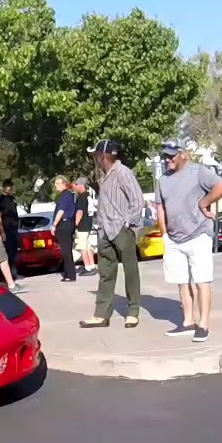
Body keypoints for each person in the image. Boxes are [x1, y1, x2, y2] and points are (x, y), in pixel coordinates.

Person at [155, 141, 222, 343]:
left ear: (183, 155)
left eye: (172, 155)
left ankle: (203, 324)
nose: (168, 159)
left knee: (201, 280)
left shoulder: (198, 172)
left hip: (198, 234)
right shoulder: (162, 180)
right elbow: (160, 206)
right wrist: (164, 232)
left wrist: (204, 203)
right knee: (181, 281)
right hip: (174, 238)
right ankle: (188, 322)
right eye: (165, 156)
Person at [80, 139, 144, 329]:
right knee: (105, 273)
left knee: (130, 271)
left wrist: (129, 224)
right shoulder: (104, 176)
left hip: (121, 230)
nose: (95, 159)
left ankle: (133, 312)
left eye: (96, 155)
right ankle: (101, 314)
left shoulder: (123, 172)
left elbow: (137, 200)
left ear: (104, 156)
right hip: (105, 231)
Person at [52, 176, 78, 281]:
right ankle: (67, 273)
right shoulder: (66, 195)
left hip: (65, 224)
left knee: (66, 250)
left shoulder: (65, 196)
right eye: (55, 183)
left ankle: (71, 274)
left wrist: (54, 225)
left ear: (64, 183)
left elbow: (61, 211)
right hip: (66, 224)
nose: (55, 186)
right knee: (65, 250)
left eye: (57, 183)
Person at [72, 177, 97, 276]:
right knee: (88, 247)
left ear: (81, 185)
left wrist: (75, 225)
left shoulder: (81, 197)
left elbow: (79, 212)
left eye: (77, 184)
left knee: (82, 247)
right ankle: (92, 266)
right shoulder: (88, 196)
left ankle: (87, 267)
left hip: (82, 226)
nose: (76, 186)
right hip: (88, 224)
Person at [0, 179, 21, 277]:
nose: (10, 188)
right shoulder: (0, 199)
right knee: (8, 251)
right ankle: (9, 272)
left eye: (11, 187)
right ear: (4, 187)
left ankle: (14, 269)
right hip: (6, 227)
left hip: (14, 227)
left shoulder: (12, 198)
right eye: (8, 186)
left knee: (14, 250)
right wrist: (1, 230)